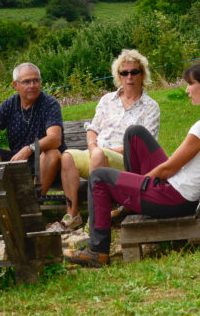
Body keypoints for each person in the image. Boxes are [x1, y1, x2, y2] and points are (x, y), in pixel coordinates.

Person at [65, 59, 200, 267]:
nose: (187, 91)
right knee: (134, 133)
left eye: (191, 84)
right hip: (181, 189)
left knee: (99, 177)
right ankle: (131, 206)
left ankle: (97, 251)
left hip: (176, 197)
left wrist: (138, 182)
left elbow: (169, 168)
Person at [52, 49, 161, 232]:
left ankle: (96, 220)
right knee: (68, 156)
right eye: (124, 73)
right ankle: (73, 215)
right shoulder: (106, 100)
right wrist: (93, 147)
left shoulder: (151, 107)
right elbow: (93, 129)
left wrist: (103, 151)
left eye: (134, 72)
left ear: (142, 74)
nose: (129, 77)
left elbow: (143, 146)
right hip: (98, 153)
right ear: (118, 76)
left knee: (98, 155)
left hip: (126, 162)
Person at [0, 62, 65, 195]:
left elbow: (55, 139)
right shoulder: (9, 105)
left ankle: (33, 200)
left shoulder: (50, 104)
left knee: (52, 154)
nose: (32, 85)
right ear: (16, 85)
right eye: (26, 82)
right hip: (19, 162)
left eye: (36, 81)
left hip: (47, 165)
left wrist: (29, 149)